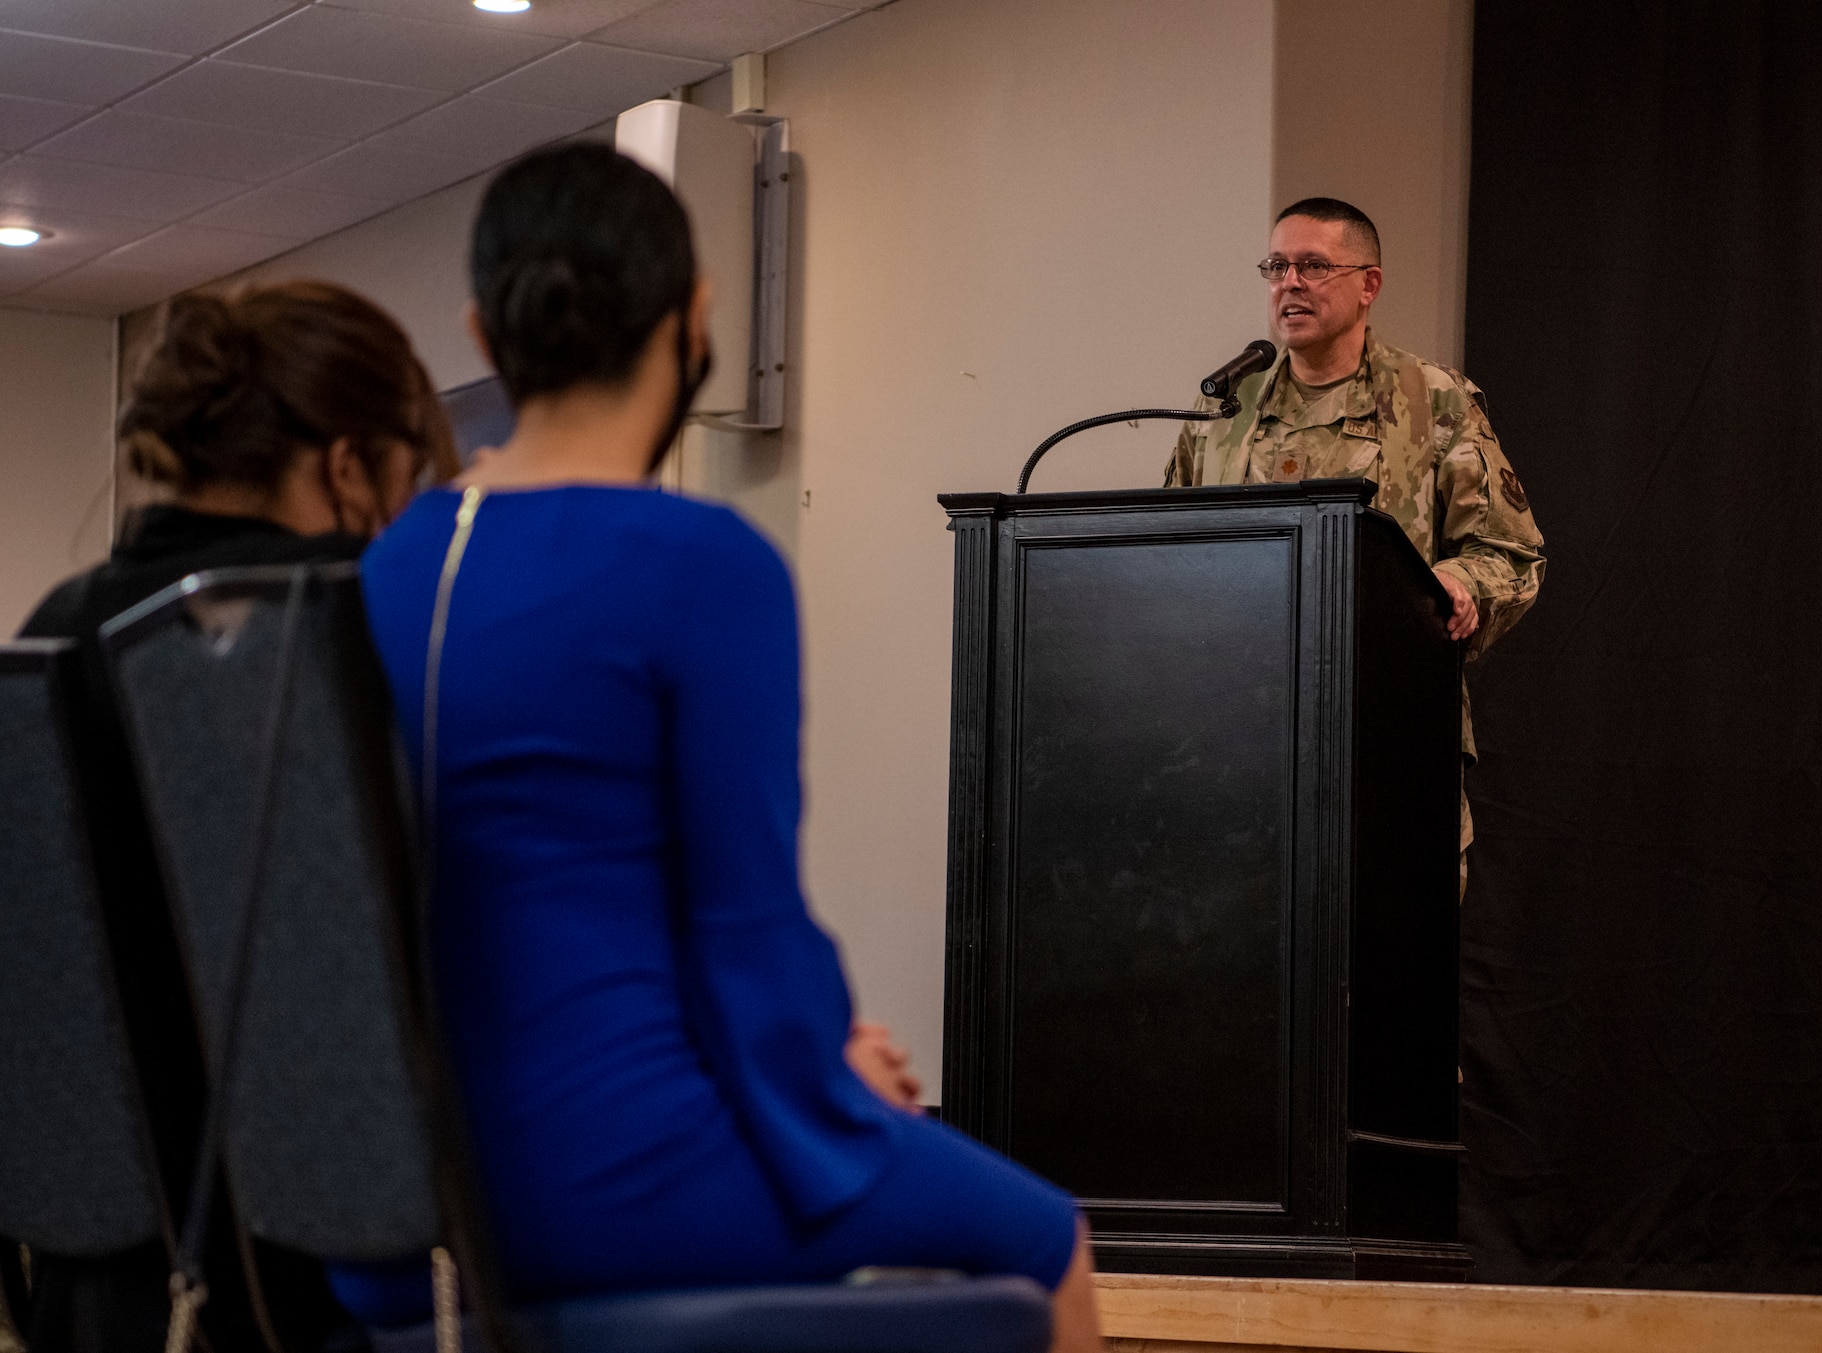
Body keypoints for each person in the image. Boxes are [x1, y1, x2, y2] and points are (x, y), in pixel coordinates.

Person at [339, 144, 1101, 1352]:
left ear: (485, 334)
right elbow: (742, 921)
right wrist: (835, 1082)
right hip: (620, 1182)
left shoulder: (384, 566)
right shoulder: (705, 563)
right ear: (690, 319)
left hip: (399, 1204)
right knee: (1045, 1237)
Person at [13, 280, 455, 1353]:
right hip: (323, 1288)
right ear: (349, 463)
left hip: (84, 1287)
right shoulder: (357, 622)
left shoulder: (49, 637)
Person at [1165, 197, 1546, 892]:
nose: (1291, 283)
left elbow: (1511, 552)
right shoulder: (1223, 411)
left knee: (1388, 977)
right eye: (1277, 266)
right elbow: (1167, 552)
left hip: (1390, 744)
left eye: (1314, 265)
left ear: (1368, 284)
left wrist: (1460, 583)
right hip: (1231, 751)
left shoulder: (1434, 402)